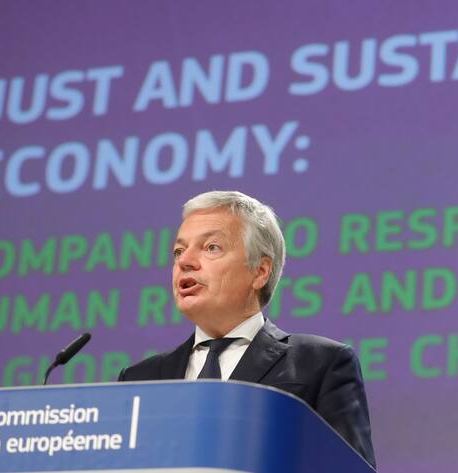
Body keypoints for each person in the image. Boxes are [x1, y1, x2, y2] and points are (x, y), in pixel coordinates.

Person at [118, 190, 375, 467]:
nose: (184, 261)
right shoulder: (140, 379)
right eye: (179, 251)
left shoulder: (321, 364)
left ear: (260, 272)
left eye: (211, 247)